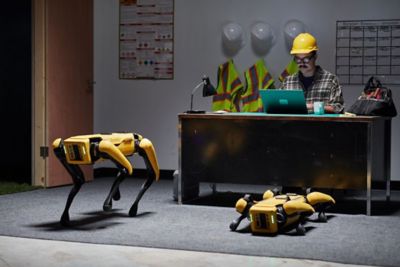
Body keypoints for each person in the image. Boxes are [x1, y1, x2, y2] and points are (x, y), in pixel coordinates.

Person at [281, 33, 344, 114]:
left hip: (321, 126)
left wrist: (313, 106)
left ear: (315, 57)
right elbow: (280, 106)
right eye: (298, 59)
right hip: (293, 125)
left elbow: (339, 108)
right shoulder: (288, 82)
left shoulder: (330, 80)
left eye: (306, 59)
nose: (302, 63)